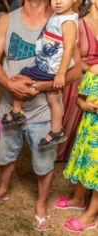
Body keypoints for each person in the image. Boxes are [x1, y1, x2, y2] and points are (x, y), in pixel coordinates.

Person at [0, 0, 81, 232]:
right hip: (11, 105)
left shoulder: (60, 18)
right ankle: (2, 189)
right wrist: (9, 83)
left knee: (44, 161)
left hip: (43, 111)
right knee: (6, 152)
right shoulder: (7, 20)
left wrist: (44, 85)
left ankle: (41, 205)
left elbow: (76, 69)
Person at [1, 0, 78, 149]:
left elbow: (69, 50)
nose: (58, 2)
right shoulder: (58, 15)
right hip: (48, 64)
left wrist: (61, 74)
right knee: (53, 97)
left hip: (50, 69)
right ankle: (56, 130)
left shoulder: (68, 23)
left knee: (23, 76)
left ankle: (16, 111)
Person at [53, 64, 97, 233]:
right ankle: (79, 199)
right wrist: (84, 105)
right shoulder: (94, 71)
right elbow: (80, 98)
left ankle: (90, 216)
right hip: (89, 129)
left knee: (96, 172)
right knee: (84, 161)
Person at [58, 0, 98, 161]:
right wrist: (91, 71)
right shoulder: (78, 24)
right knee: (74, 113)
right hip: (80, 75)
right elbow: (72, 57)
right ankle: (67, 152)